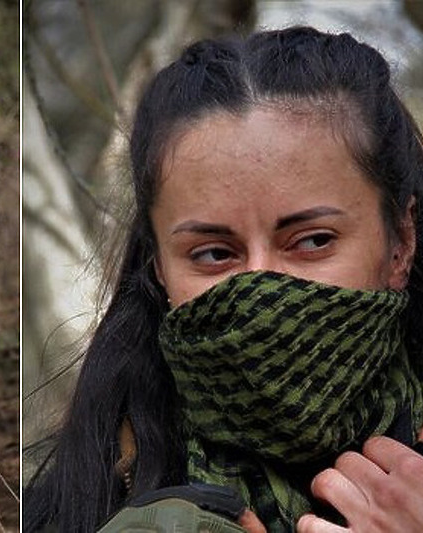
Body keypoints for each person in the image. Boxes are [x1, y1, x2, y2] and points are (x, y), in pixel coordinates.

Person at [23, 26, 423, 533]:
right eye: (214, 253)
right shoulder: (72, 508)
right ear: (161, 270)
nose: (260, 288)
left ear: (399, 243)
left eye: (314, 241)